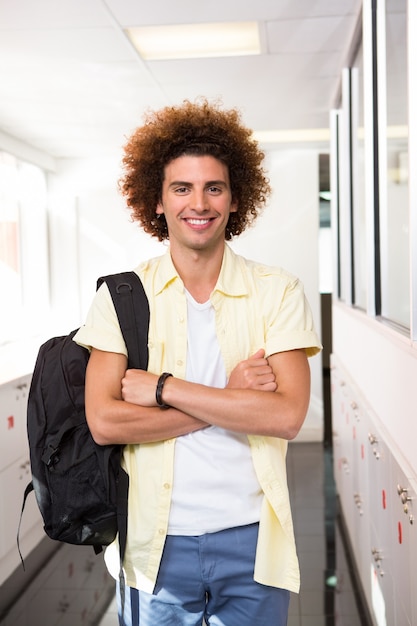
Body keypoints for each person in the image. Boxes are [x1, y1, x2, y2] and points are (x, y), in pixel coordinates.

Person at [74, 98, 321, 626]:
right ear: (158, 201)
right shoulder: (121, 298)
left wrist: (165, 388)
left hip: (254, 541)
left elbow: (286, 416)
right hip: (153, 546)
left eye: (215, 187)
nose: (199, 202)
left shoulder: (277, 291)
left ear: (235, 200)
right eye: (181, 188)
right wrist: (230, 399)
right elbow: (105, 420)